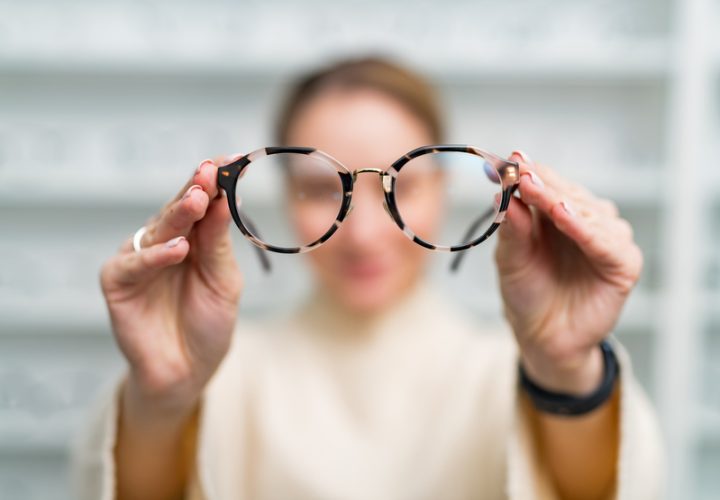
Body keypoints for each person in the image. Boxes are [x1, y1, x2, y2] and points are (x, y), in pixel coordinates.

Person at [73, 56, 663, 500]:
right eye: (322, 188)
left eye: (402, 186)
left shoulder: (513, 372)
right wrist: (161, 398)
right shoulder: (216, 371)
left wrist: (565, 372)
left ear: (445, 190)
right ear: (278, 197)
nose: (363, 234)